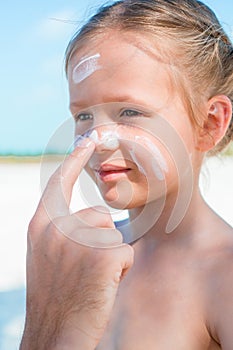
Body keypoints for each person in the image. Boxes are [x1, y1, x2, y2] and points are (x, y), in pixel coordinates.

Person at [20, 0, 233, 349]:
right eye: (83, 116)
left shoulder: (222, 275)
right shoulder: (77, 260)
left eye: (129, 111)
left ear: (210, 124)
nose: (97, 141)